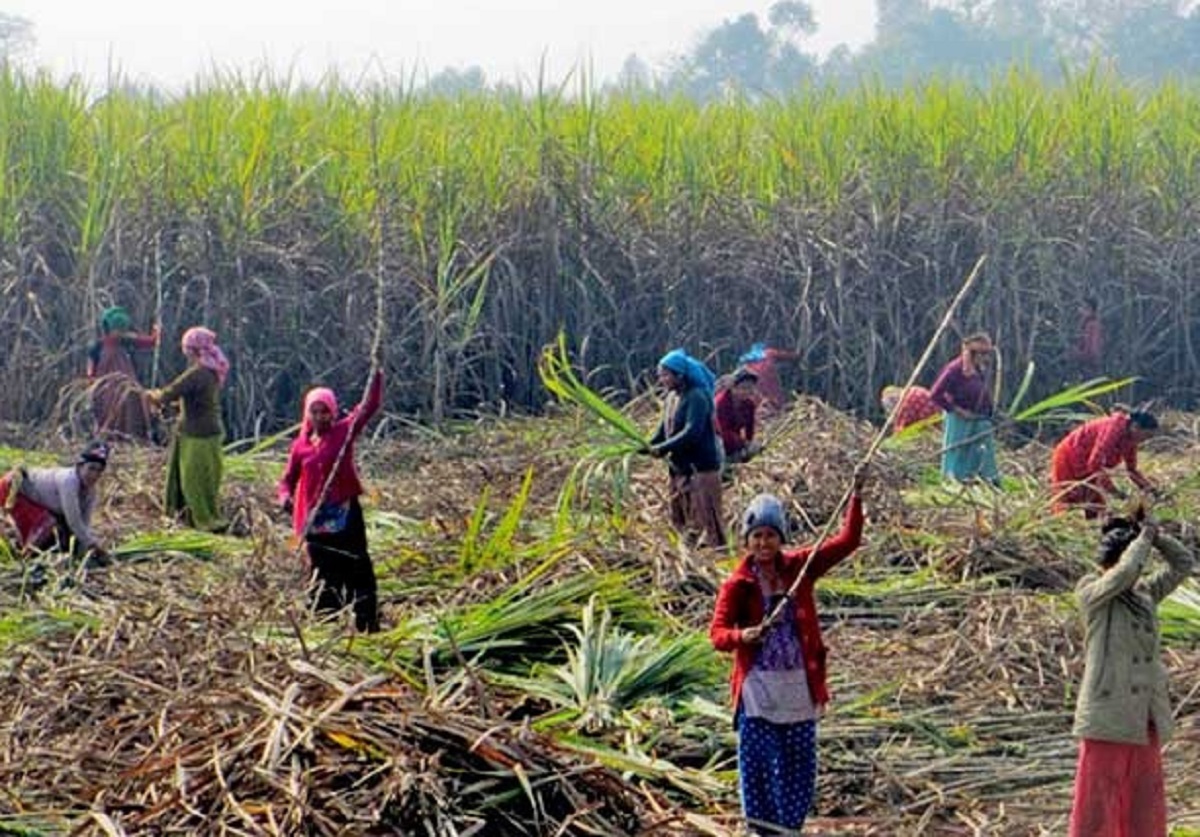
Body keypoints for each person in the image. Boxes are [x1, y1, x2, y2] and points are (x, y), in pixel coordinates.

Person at [710, 466, 867, 835]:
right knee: (759, 769)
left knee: (799, 769)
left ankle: (788, 830)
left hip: (798, 686)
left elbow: (848, 540)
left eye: (770, 536)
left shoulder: (800, 569)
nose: (764, 544)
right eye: (757, 536)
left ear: (781, 538)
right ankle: (761, 831)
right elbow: (717, 634)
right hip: (757, 693)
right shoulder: (737, 585)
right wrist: (743, 636)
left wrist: (856, 494)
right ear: (747, 541)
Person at [1068, 514, 1193, 837]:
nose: (1137, 572)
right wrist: (1141, 543)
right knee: (1099, 800)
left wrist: (1157, 536)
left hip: (1143, 715)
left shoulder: (1144, 595)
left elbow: (1183, 564)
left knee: (1143, 797)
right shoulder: (1092, 594)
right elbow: (1122, 575)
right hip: (1108, 714)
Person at [278, 369, 384, 633]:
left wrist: (377, 371)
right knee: (324, 574)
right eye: (314, 411)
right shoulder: (300, 445)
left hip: (344, 515)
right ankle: (326, 626)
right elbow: (287, 480)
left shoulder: (343, 431)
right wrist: (285, 498)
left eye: (324, 411)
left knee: (356, 565)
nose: (319, 417)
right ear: (307, 414)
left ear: (332, 411)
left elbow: (369, 406)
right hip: (315, 522)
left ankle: (366, 624)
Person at [145, 327, 229, 531]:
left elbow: (168, 394)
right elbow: (196, 399)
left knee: (192, 481)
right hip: (211, 432)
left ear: (192, 350)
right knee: (207, 478)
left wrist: (150, 396)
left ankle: (203, 521)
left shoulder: (197, 374)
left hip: (196, 435)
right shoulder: (211, 371)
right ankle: (198, 515)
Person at [648, 349, 726, 548]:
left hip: (699, 469)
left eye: (666, 375)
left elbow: (692, 432)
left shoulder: (697, 397)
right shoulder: (671, 398)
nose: (662, 379)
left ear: (679, 375)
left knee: (703, 522)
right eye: (660, 375)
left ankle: (708, 560)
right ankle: (688, 555)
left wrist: (663, 448)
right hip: (679, 469)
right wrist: (647, 445)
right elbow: (662, 430)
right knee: (682, 519)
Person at [0, 441, 110, 560]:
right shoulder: (68, 481)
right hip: (13, 490)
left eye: (99, 471)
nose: (94, 475)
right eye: (91, 468)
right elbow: (74, 521)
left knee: (66, 537)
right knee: (47, 528)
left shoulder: (91, 493)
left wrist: (85, 551)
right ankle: (25, 556)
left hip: (41, 503)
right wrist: (93, 545)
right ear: (79, 466)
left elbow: (84, 524)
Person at [1051, 411, 1158, 518]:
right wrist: (1114, 491)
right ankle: (1056, 528)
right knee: (1066, 498)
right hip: (1068, 456)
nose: (1146, 440)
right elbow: (1095, 464)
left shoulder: (1131, 440)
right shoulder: (1113, 429)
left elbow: (1131, 470)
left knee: (1097, 508)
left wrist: (1150, 489)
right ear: (1136, 427)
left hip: (1089, 466)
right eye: (1147, 435)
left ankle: (1091, 531)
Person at [929, 333, 1000, 484]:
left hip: (980, 421)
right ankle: (955, 483)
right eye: (983, 354)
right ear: (973, 354)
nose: (986, 358)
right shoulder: (954, 370)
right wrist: (958, 411)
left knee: (982, 456)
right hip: (961, 422)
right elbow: (935, 394)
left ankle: (987, 483)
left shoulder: (978, 370)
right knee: (959, 455)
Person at [86, 306, 159, 441]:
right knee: (109, 410)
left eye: (122, 330)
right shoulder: (96, 347)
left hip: (127, 384)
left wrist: (156, 330)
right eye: (117, 330)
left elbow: (151, 342)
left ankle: (132, 438)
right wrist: (92, 385)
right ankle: (109, 438)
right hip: (105, 387)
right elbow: (91, 371)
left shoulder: (125, 340)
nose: (119, 333)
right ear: (108, 328)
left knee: (133, 404)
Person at [715, 368, 760, 464]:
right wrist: (743, 443)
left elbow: (750, 428)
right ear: (733, 388)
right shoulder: (721, 403)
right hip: (717, 444)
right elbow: (722, 432)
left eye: (750, 388)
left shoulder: (749, 405)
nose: (748, 391)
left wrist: (749, 443)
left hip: (735, 443)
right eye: (743, 388)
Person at [739, 343, 799, 415]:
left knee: (760, 401)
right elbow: (785, 355)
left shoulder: (746, 362)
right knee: (776, 398)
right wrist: (796, 355)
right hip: (770, 381)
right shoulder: (769, 353)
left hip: (756, 385)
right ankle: (779, 414)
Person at [1069, 297, 1104, 380]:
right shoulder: (1087, 324)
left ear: (1090, 310)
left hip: (1089, 367)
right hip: (1085, 365)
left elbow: (1092, 351)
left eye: (1083, 308)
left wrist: (1077, 354)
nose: (1080, 311)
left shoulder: (1092, 325)